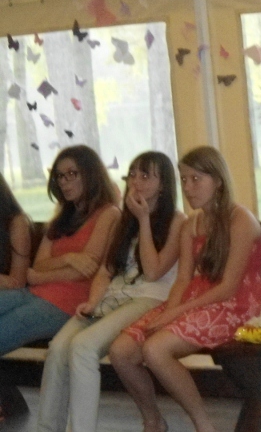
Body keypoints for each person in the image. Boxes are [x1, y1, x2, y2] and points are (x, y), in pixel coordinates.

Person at [109, 146, 261, 432]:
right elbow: (182, 279)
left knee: (155, 350)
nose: (188, 188)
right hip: (196, 301)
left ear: (218, 181)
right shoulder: (192, 224)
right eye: (184, 180)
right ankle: (153, 421)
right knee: (121, 352)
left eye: (196, 179)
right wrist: (168, 311)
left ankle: (204, 426)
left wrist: (175, 314)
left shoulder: (241, 220)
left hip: (233, 306)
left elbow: (228, 287)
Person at [37, 151, 186, 432]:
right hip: (114, 296)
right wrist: (93, 302)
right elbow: (106, 271)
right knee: (58, 347)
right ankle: (46, 428)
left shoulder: (177, 221)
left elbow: (153, 271)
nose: (136, 182)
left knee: (84, 347)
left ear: (163, 185)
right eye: (133, 175)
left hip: (150, 298)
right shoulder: (122, 219)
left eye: (145, 176)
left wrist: (143, 220)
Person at [0, 145, 119, 355]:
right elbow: (39, 264)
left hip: (68, 304)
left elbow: (86, 269)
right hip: (34, 293)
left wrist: (39, 277)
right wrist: (69, 258)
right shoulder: (61, 218)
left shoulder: (108, 213)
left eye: (71, 174)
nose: (64, 182)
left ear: (90, 174)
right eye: (60, 176)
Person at [0, 173, 33, 420]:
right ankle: (9, 400)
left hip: (16, 295)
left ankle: (8, 401)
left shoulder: (16, 222)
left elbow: (17, 280)